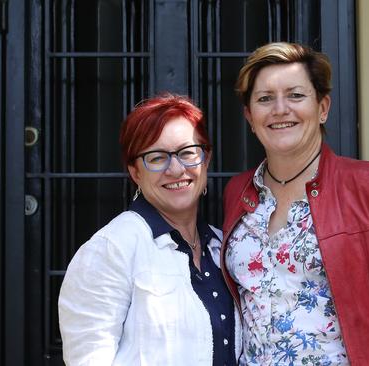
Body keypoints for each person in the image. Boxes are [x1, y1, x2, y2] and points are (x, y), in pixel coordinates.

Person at [221, 42, 369, 365]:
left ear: (323, 108)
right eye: (265, 99)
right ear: (250, 117)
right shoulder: (238, 192)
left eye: (296, 95)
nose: (280, 109)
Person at [59, 94, 241, 365]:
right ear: (135, 172)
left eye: (188, 153)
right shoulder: (112, 248)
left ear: (206, 160)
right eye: (157, 158)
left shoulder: (222, 245)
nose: (176, 169)